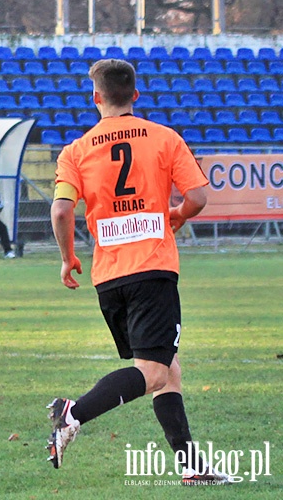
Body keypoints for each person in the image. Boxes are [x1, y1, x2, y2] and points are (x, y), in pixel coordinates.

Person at [48, 59, 229, 485]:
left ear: (95, 98)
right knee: (154, 372)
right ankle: (72, 413)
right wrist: (179, 215)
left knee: (168, 367)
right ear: (136, 95)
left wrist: (67, 256)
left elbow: (60, 211)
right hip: (152, 269)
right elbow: (199, 197)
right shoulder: (164, 139)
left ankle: (191, 466)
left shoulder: (76, 150)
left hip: (109, 276)